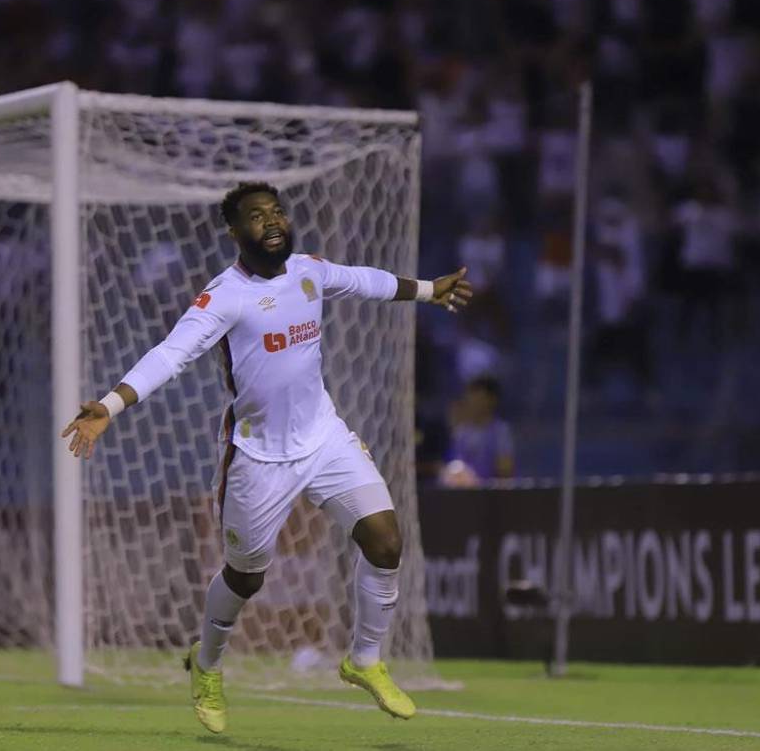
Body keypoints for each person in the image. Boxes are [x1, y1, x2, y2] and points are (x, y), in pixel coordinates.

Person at [62, 182, 472, 733]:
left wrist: (428, 289)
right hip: (258, 454)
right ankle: (206, 665)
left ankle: (365, 660)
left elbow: (365, 281)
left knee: (385, 539)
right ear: (235, 232)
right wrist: (109, 405)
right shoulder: (224, 295)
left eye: (276, 211)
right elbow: (171, 354)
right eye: (257, 216)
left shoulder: (310, 270)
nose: (272, 221)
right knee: (245, 577)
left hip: (324, 436)